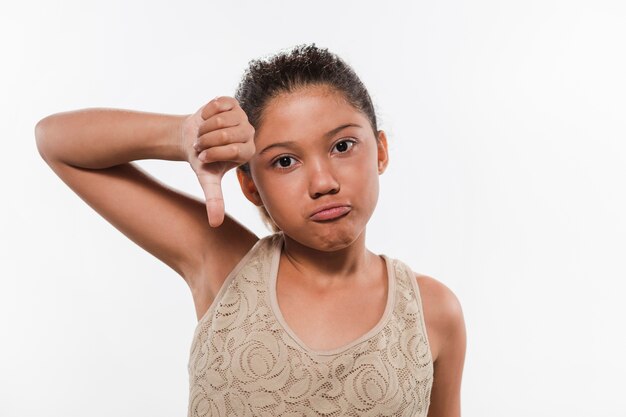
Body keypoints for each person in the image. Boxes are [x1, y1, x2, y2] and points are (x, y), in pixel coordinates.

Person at [35, 43, 466, 416]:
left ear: (381, 151)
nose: (322, 182)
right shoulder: (225, 266)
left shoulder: (431, 312)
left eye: (341, 146)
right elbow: (56, 142)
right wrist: (184, 136)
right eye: (284, 161)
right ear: (249, 186)